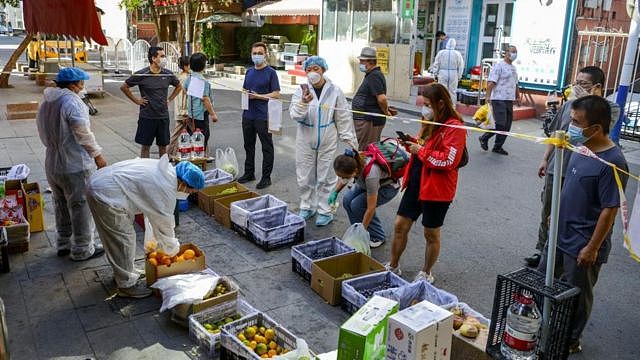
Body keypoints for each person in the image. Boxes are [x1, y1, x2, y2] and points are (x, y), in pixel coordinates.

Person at [537, 96, 628, 354]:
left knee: (576, 295)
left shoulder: (613, 161)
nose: (570, 128)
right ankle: (544, 325)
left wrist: (592, 247)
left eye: (576, 122)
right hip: (558, 234)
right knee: (542, 279)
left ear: (596, 128)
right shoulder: (582, 148)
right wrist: (556, 214)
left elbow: (609, 210)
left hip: (582, 243)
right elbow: (570, 186)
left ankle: (570, 339)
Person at [525, 66, 621, 268]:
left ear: (597, 86)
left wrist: (590, 101)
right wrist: (545, 159)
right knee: (549, 211)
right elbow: (557, 134)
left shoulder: (608, 109)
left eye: (583, 84)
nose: (577, 87)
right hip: (557, 166)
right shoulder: (569, 105)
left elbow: (605, 130)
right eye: (576, 83)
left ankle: (566, 255)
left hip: (582, 171)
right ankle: (543, 251)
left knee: (575, 214)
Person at [86, 157, 205, 298]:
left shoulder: (165, 171)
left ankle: (125, 272)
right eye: (190, 191)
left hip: (105, 184)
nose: (188, 194)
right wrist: (172, 250)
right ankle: (126, 285)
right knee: (122, 239)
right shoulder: (165, 188)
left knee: (120, 238)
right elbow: (163, 224)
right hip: (105, 194)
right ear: (184, 183)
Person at [385, 83, 466, 283]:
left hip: (437, 189)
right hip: (416, 182)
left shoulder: (455, 127)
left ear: (440, 103)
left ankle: (426, 272)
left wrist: (419, 151)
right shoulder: (430, 122)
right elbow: (424, 146)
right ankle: (393, 265)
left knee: (431, 233)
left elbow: (449, 160)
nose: (424, 109)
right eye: (423, 104)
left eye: (428, 104)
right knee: (399, 226)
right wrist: (413, 142)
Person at [36, 67, 107, 261]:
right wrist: (97, 155)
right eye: (81, 83)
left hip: (52, 162)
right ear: (73, 84)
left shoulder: (47, 102)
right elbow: (82, 132)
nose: (83, 86)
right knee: (80, 206)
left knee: (60, 203)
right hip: (74, 163)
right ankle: (83, 248)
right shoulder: (71, 102)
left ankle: (64, 243)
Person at [289, 56, 358, 226]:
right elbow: (295, 115)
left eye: (316, 69)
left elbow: (343, 117)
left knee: (326, 177)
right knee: (304, 176)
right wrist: (303, 103)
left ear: (323, 70)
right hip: (305, 138)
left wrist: (350, 141)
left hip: (328, 139)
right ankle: (307, 206)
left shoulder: (335, 91)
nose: (312, 73)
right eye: (309, 70)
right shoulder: (300, 91)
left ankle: (325, 210)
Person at [331, 148, 400, 248]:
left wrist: (361, 233)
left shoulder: (371, 174)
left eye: (344, 176)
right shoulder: (352, 162)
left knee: (358, 205)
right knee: (347, 200)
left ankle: (377, 236)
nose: (342, 179)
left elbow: (370, 208)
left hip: (387, 187)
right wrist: (335, 192)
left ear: (355, 171)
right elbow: (344, 178)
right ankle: (356, 229)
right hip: (366, 183)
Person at [121, 47, 182, 158]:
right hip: (147, 117)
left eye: (164, 56)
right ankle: (145, 171)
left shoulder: (168, 74)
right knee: (145, 146)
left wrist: (170, 99)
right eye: (162, 56)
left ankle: (163, 171)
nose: (165, 59)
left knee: (163, 146)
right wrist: (137, 101)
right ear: (153, 58)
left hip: (163, 116)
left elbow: (179, 86)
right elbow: (124, 87)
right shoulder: (141, 74)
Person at [237, 42, 281, 190]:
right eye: (254, 53)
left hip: (264, 116)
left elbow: (276, 94)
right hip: (248, 114)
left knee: (266, 147)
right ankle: (249, 173)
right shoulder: (249, 72)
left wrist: (259, 96)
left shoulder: (271, 72)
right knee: (248, 145)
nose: (257, 55)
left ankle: (266, 177)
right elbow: (244, 88)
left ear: (265, 54)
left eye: (260, 53)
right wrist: (244, 93)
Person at [352, 47, 395, 150]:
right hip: (366, 120)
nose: (360, 63)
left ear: (370, 62)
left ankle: (366, 166)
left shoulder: (374, 76)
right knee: (365, 147)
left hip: (369, 120)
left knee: (367, 149)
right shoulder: (371, 75)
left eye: (362, 61)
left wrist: (385, 111)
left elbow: (382, 98)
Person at [478, 45, 519, 155]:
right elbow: (491, 82)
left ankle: (498, 146)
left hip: (509, 100)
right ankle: (484, 137)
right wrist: (487, 96)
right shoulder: (499, 66)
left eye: (516, 52)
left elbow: (516, 83)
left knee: (507, 125)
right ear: (506, 53)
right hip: (499, 99)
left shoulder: (513, 68)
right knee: (500, 124)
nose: (514, 54)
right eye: (512, 51)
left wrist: (517, 96)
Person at [183, 53, 218, 153]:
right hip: (201, 115)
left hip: (191, 114)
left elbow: (184, 89)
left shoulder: (189, 78)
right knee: (202, 139)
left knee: (192, 138)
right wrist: (213, 114)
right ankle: (199, 162)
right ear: (203, 65)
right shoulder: (203, 81)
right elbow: (205, 99)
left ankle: (194, 161)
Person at [167, 55, 191, 158]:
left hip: (181, 110)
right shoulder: (186, 78)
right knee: (177, 134)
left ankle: (172, 154)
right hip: (184, 111)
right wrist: (184, 111)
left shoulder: (180, 76)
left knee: (179, 133)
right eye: (190, 65)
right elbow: (183, 97)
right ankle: (167, 154)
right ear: (185, 66)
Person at [430, 38, 464, 102]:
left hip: (442, 73)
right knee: (452, 91)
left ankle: (442, 106)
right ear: (454, 45)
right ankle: (452, 107)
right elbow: (461, 66)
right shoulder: (457, 54)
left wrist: (435, 74)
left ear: (447, 44)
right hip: (453, 74)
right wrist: (459, 76)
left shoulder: (441, 52)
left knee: (442, 90)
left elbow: (436, 64)